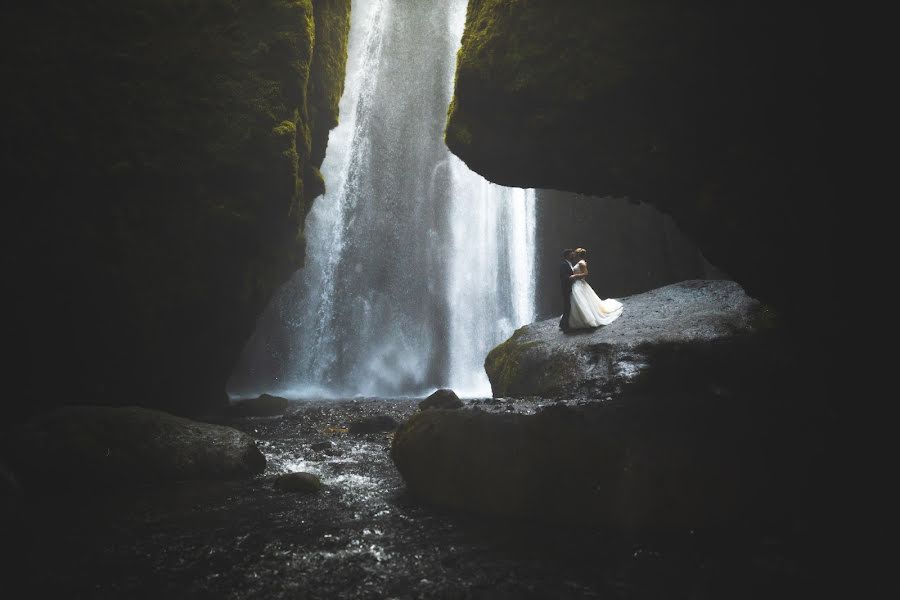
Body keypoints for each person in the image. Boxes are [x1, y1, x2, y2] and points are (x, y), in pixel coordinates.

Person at [569, 247, 624, 329]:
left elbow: (586, 273)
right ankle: (580, 318)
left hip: (579, 283)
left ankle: (587, 318)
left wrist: (575, 276)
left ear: (578, 255)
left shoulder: (581, 263)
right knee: (580, 300)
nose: (575, 255)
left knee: (580, 299)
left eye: (576, 254)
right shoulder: (580, 262)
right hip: (577, 283)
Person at [558, 248, 583, 331]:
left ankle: (563, 324)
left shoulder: (569, 264)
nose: (573, 255)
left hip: (571, 287)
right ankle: (564, 327)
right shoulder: (563, 264)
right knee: (567, 307)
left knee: (568, 306)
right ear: (568, 255)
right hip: (566, 288)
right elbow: (563, 277)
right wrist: (572, 278)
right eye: (572, 254)